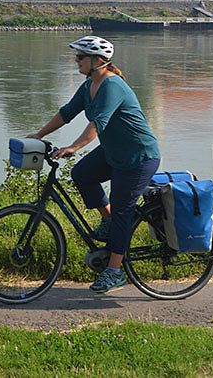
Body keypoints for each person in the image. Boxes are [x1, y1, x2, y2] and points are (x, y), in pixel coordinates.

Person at [27, 35, 161, 294]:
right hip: (114, 153)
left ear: (97, 60)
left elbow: (97, 124)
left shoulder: (112, 86)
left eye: (80, 57)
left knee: (123, 211)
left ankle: (114, 272)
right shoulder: (90, 84)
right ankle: (109, 220)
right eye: (76, 56)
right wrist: (40, 134)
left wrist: (73, 147)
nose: (76, 61)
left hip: (137, 157)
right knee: (82, 173)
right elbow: (67, 113)